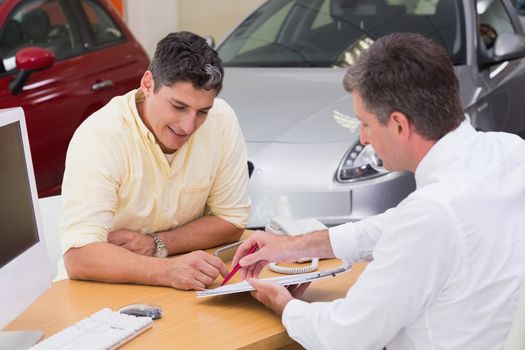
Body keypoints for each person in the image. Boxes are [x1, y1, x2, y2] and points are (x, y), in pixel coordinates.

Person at [232, 32, 525, 349]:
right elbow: (397, 225)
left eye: (365, 123)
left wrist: (284, 305)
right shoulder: (510, 152)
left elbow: (344, 336)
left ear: (399, 125)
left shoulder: (432, 214)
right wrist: (292, 247)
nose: (363, 138)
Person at [59, 31, 251, 290]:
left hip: (183, 282)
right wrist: (166, 270)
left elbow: (231, 221)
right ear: (147, 84)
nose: (188, 125)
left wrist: (157, 244)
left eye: (202, 111)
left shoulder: (222, 119)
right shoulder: (101, 136)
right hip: (99, 289)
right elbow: (79, 257)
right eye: (178, 107)